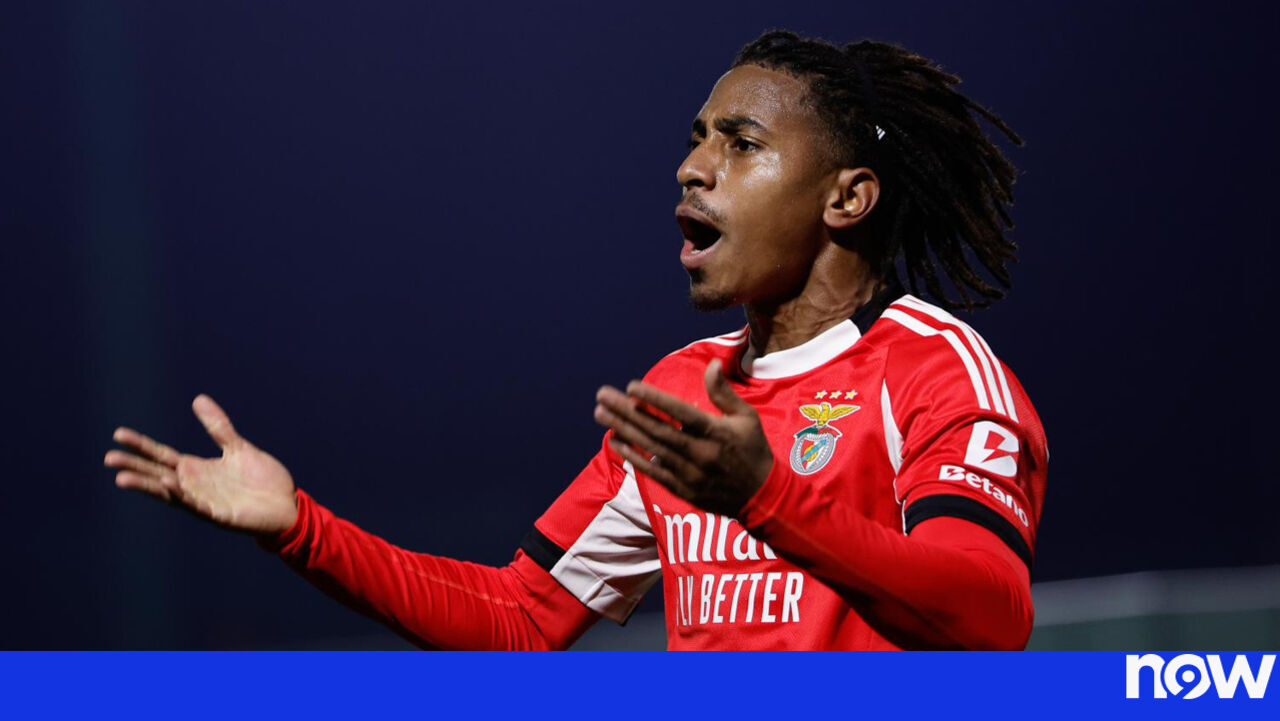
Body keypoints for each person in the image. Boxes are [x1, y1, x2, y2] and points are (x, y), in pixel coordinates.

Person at [104, 31, 1047, 650]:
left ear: (847, 197)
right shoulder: (684, 390)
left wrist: (767, 497)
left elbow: (991, 612)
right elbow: (522, 615)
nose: (692, 167)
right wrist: (302, 529)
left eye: (741, 143)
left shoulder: (935, 370)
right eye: (697, 138)